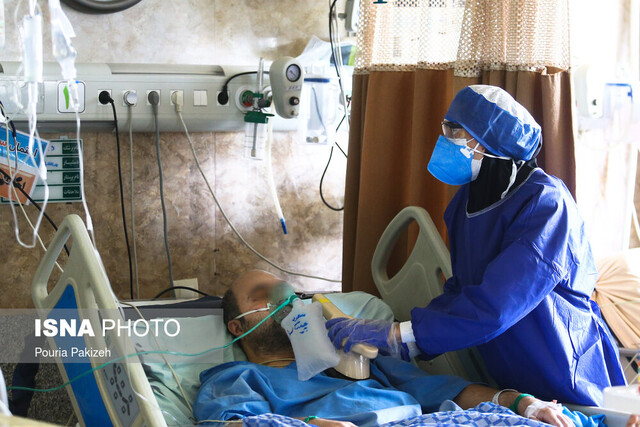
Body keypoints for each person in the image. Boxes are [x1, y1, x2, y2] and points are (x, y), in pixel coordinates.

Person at [325, 85, 628, 407]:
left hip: (564, 365)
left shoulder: (546, 205)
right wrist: (406, 337)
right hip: (506, 369)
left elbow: (498, 303)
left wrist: (400, 336)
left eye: (456, 130)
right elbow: (462, 290)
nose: (445, 138)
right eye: (446, 127)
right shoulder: (464, 205)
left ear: (494, 141)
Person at [193, 270, 577, 427]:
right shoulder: (236, 378)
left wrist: (521, 402)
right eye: (262, 297)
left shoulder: (359, 363)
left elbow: (451, 393)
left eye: (284, 291)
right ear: (238, 326)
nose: (281, 300)